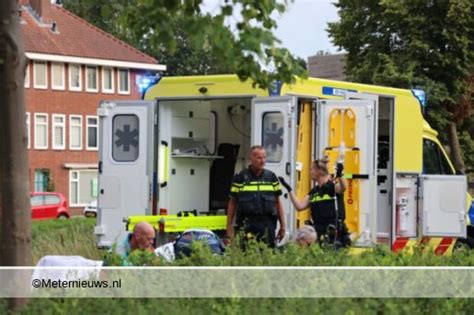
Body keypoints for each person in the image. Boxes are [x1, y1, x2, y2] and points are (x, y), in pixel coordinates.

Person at [279, 157, 351, 248]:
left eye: (311, 169)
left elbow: (343, 187)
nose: (310, 172)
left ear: (319, 171)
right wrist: (289, 190)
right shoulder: (314, 192)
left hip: (334, 233)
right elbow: (299, 206)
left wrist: (340, 175)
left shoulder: (332, 187)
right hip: (318, 232)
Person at [226, 145, 286, 248]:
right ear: (251, 159)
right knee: (246, 255)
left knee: (269, 255)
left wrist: (283, 226)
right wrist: (229, 226)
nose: (262, 161)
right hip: (247, 224)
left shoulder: (271, 177)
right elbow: (232, 203)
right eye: (259, 158)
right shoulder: (241, 178)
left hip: (267, 224)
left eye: (264, 157)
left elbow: (277, 203)